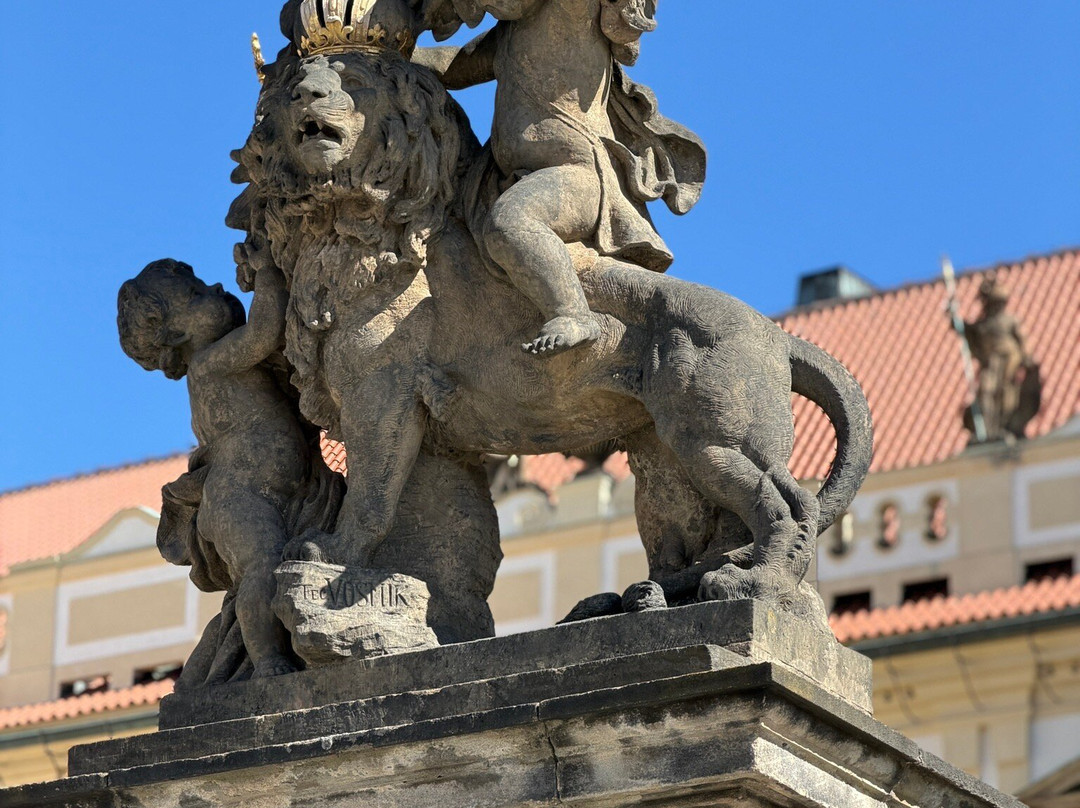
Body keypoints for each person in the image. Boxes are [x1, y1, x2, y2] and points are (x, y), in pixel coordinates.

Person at [415, 0, 706, 356]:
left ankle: (572, 314)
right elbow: (454, 67)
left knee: (512, 222)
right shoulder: (513, 32)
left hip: (578, 177)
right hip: (506, 180)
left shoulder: (572, 8)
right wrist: (390, 50)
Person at [118, 257, 314, 678]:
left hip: (279, 489)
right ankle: (267, 659)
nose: (216, 288)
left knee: (269, 565)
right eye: (197, 294)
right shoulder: (209, 365)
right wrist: (267, 268)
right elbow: (265, 331)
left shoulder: (219, 361)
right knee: (261, 566)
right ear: (174, 333)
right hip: (238, 494)